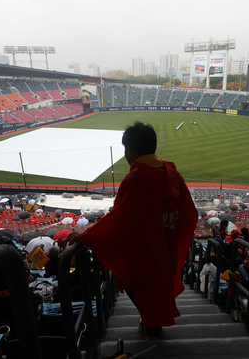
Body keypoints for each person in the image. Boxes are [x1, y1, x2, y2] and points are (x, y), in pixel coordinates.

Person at [68, 121, 197, 339]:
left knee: (139, 285)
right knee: (158, 288)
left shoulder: (135, 179)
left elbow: (122, 219)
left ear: (129, 151)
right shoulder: (173, 175)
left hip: (144, 252)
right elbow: (188, 214)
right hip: (166, 245)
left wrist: (87, 238)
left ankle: (152, 328)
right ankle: (153, 325)